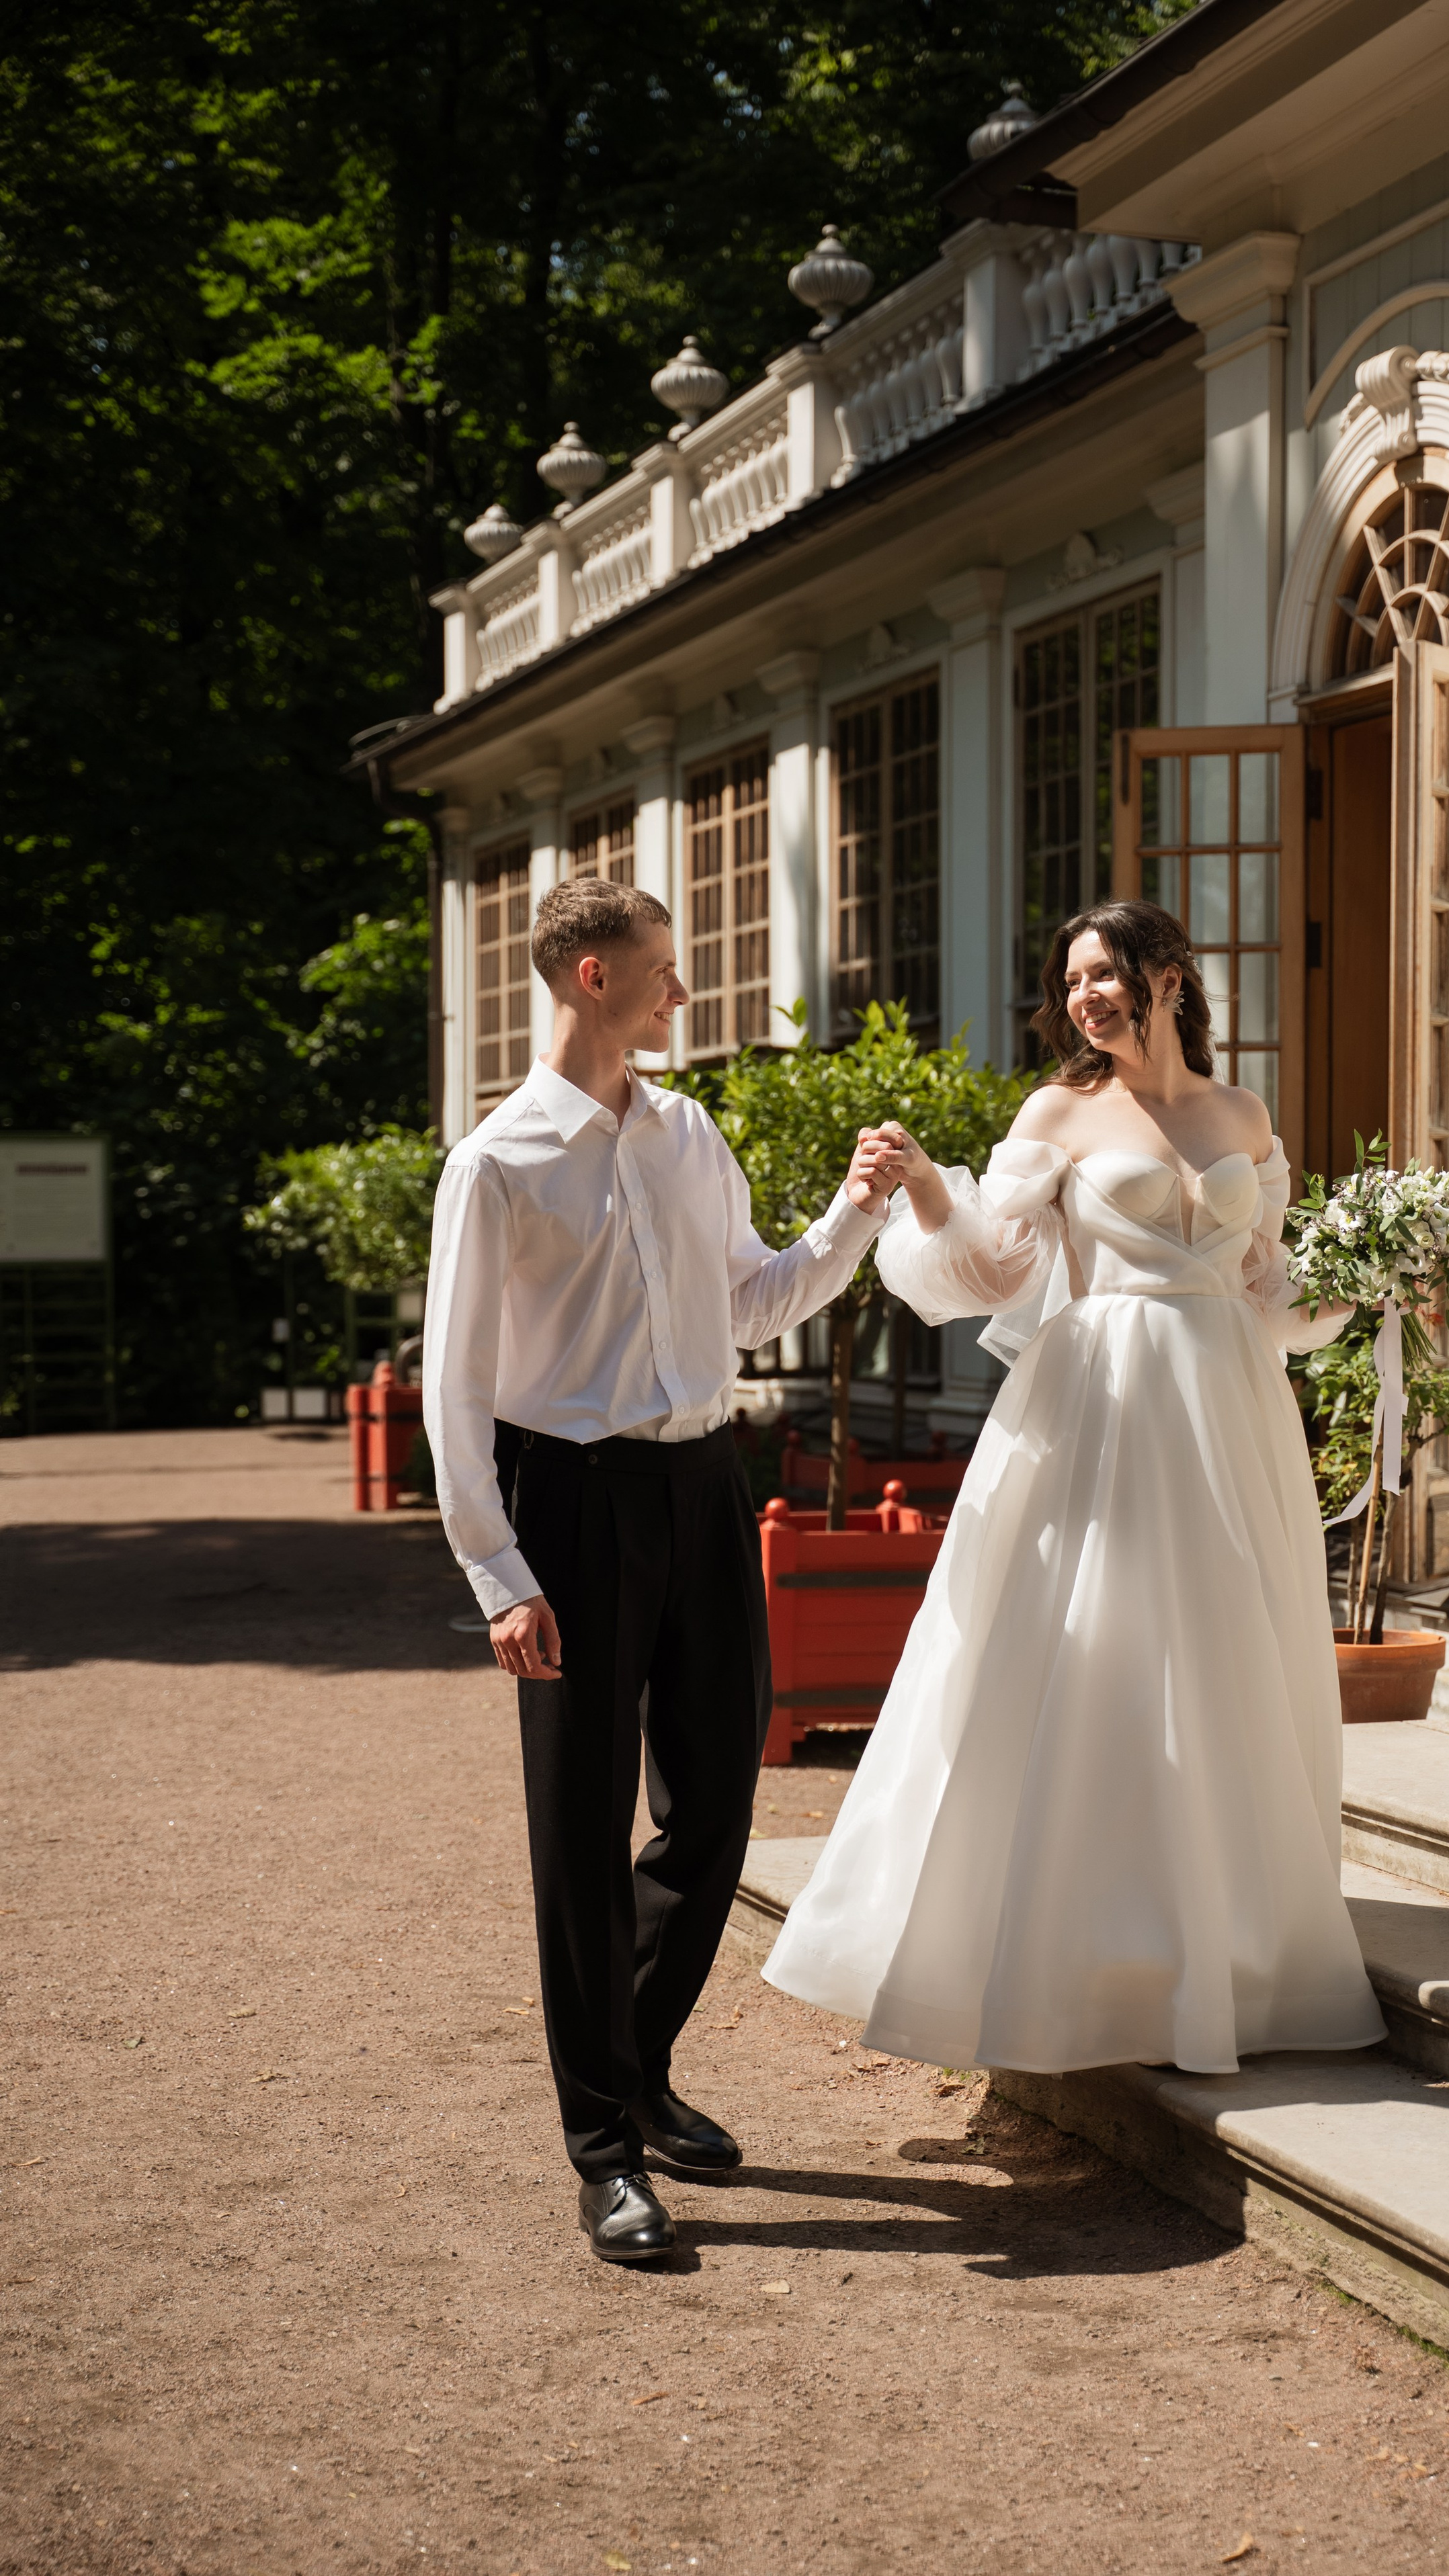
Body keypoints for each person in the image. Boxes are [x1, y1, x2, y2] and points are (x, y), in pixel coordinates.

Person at [765, 900, 1386, 2079]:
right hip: (1100, 1404)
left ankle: (1240, 1953)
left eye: (1106, 973)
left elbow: (1273, 1291)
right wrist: (928, 1192)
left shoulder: (1242, 1113)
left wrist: (1373, 1274)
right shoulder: (1059, 1111)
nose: (1087, 995)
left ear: (1168, 975)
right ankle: (1090, 1954)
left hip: (1235, 1408)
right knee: (1099, 1650)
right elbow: (995, 1267)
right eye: (1074, 979)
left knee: (1226, 1658)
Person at [423, 878, 895, 2264]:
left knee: (714, 1803)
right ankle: (605, 2149)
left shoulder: (688, 1133)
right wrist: (498, 1575)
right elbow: (454, 1392)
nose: (680, 995)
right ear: (587, 978)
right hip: (564, 1504)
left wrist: (853, 1212)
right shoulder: (496, 1164)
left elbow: (747, 1304)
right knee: (577, 1835)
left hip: (702, 1490)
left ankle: (633, 2058)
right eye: (658, 973)